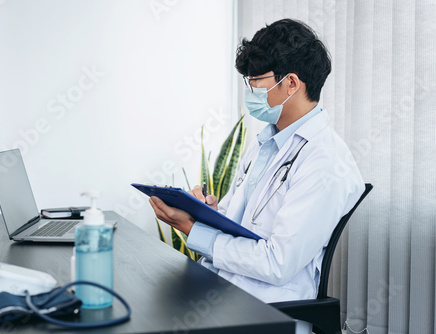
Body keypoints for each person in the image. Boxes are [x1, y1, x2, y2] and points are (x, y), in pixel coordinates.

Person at [149, 18, 364, 333]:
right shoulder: (267, 142)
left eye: (256, 80)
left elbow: (277, 263)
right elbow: (244, 224)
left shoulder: (325, 160)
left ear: (291, 83)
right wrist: (207, 212)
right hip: (224, 288)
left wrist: (194, 230)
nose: (250, 90)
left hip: (265, 308)